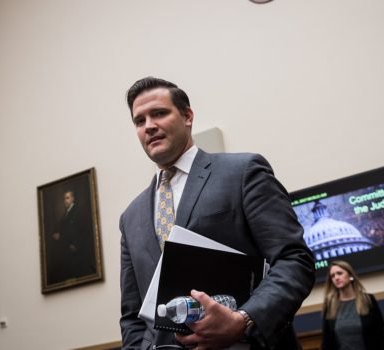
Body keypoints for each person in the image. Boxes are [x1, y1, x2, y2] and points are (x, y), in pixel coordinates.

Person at [119, 76, 316, 350]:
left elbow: (294, 260)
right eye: (139, 121)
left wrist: (243, 320)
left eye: (159, 113)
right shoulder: (130, 217)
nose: (149, 126)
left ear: (187, 116)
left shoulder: (243, 172)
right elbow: (132, 315)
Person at [321, 260, 384, 350]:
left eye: (339, 273)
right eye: (332, 276)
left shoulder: (368, 300)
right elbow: (327, 342)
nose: (336, 278)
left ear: (350, 275)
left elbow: (381, 335)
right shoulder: (329, 305)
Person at [49, 190, 96, 284]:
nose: (65, 200)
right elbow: (66, 230)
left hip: (76, 249)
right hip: (68, 249)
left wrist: (76, 244)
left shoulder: (77, 212)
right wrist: (59, 235)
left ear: (73, 199)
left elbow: (82, 230)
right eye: (64, 198)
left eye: (67, 198)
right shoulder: (66, 214)